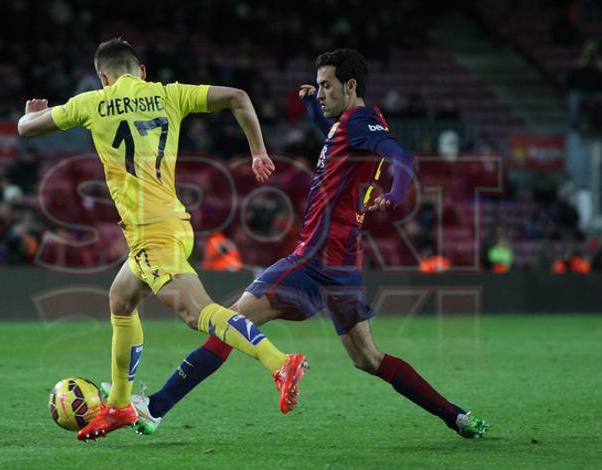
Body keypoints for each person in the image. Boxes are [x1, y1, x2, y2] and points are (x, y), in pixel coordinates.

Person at [112, 49, 488, 438]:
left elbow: (401, 156)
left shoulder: (360, 121)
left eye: (327, 85)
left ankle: (155, 407)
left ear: (351, 85)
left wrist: (395, 193)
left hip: (313, 257)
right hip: (344, 262)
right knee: (368, 359)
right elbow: (340, 145)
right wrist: (312, 109)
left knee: (231, 323)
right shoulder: (350, 126)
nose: (321, 91)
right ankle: (457, 416)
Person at [17, 38, 307, 441]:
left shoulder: (91, 102)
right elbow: (238, 97)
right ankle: (119, 404)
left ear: (104, 77)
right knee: (121, 299)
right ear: (143, 72)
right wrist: (257, 151)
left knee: (196, 313)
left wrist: (33, 113)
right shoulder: (169, 95)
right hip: (170, 222)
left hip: (151, 232)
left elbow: (26, 129)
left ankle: (280, 362)